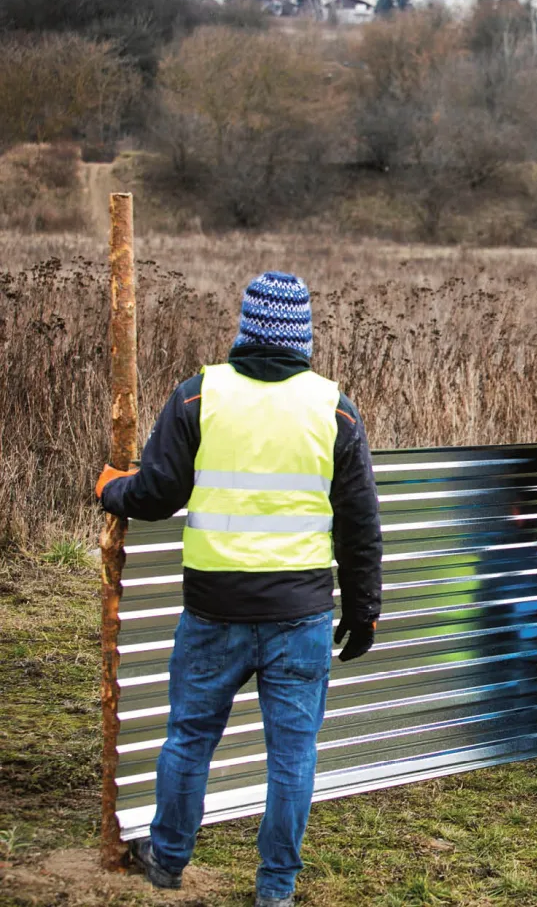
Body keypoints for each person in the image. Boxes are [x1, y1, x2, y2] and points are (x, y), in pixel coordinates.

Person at [97, 272, 382, 907]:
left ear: (245, 327)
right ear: (303, 334)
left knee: (189, 738)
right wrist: (363, 610)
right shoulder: (333, 407)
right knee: (292, 755)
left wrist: (109, 488)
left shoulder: (200, 395)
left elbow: (155, 494)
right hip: (300, 615)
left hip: (213, 611)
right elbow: (360, 521)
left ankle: (167, 858)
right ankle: (275, 887)